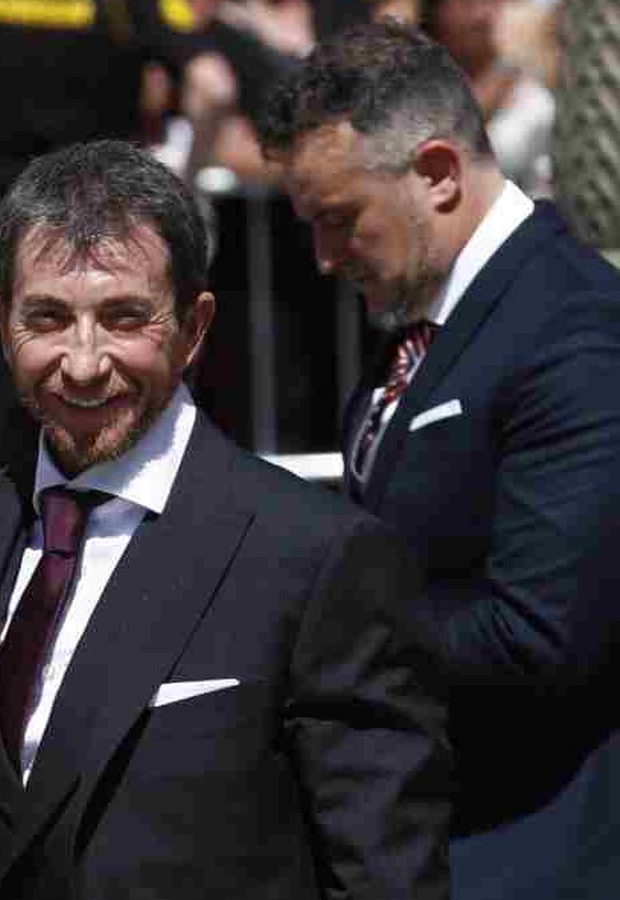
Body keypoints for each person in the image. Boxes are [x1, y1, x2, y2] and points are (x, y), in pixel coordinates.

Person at [0, 140, 451, 900]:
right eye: (48, 319)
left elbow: (384, 873)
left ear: (194, 328)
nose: (83, 363)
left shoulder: (311, 556)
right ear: (1, 322)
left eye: (124, 319)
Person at [261, 22, 620, 898]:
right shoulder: (430, 313)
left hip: (533, 849)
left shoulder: (572, 334)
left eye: (340, 219)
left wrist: (312, 635)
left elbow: (535, 633)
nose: (324, 258)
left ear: (437, 173)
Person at [0, 0, 237, 479]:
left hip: (4, 228)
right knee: (121, 424)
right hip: (110, 237)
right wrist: (179, 190)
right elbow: (214, 87)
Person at [422, 0, 554, 196]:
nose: (481, 17)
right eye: (467, 5)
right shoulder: (414, 84)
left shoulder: (532, 99)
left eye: (489, 2)